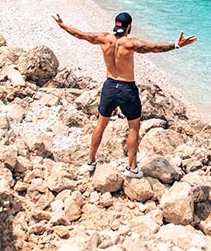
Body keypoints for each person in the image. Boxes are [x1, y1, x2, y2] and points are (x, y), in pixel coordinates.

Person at [52, 12, 197, 178]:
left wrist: (62, 25)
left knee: (100, 125)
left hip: (109, 87)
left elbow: (80, 34)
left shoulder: (104, 38)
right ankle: (132, 168)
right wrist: (176, 45)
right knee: (134, 127)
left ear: (116, 24)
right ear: (129, 26)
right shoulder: (131, 43)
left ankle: (90, 163)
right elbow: (154, 48)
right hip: (126, 89)